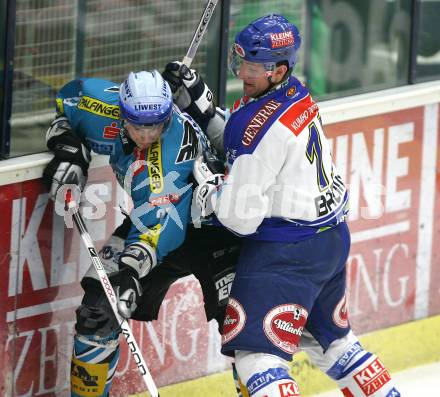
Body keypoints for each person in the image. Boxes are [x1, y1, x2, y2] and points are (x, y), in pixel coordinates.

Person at [163, 14, 401, 397]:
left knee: (257, 357)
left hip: (287, 253)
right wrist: (204, 107)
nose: (243, 71)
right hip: (330, 241)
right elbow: (253, 144)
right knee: (335, 346)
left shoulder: (256, 125)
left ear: (279, 69)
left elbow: (240, 218)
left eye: (253, 65)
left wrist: (209, 193)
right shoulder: (294, 94)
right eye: (240, 59)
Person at [42, 70, 240, 397]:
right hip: (147, 221)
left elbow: (160, 228)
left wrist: (131, 273)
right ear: (121, 112)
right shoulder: (98, 104)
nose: (148, 136)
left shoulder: (171, 148)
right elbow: (64, 106)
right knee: (98, 310)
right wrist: (70, 150)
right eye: (138, 126)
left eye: (157, 126)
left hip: (212, 229)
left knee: (242, 328)